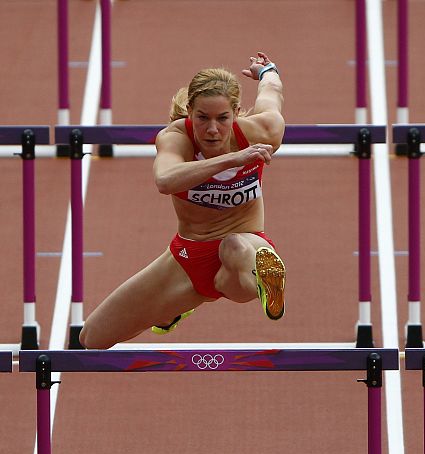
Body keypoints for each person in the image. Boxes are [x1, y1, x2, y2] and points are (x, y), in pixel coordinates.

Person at [80, 51, 287, 349]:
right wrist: (233, 159)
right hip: (189, 256)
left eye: (222, 118)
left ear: (237, 112)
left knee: (233, 247)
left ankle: (268, 279)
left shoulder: (263, 131)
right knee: (92, 338)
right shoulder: (175, 138)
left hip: (248, 245)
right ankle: (178, 305)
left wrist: (266, 71)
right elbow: (165, 180)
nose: (212, 129)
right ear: (189, 111)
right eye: (202, 118)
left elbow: (273, 92)